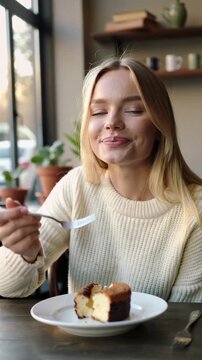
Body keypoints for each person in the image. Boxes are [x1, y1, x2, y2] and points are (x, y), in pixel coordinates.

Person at [0, 55, 202, 301]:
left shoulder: (195, 209)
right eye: (98, 111)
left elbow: (184, 320)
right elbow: (8, 288)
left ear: (160, 126)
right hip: (80, 338)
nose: (112, 123)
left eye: (133, 110)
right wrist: (26, 254)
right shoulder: (76, 186)